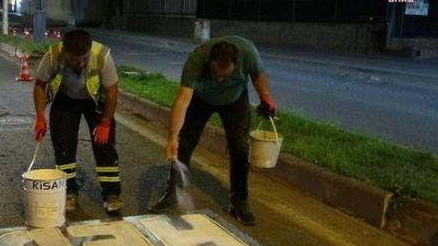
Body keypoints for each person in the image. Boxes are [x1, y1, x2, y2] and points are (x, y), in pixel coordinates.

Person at [149, 35, 277, 225]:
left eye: (225, 77)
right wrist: (172, 138)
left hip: (235, 100)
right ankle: (173, 192)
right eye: (215, 75)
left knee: (240, 147)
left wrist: (266, 98)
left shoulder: (248, 52)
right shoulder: (197, 58)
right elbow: (183, 100)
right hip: (202, 98)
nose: (219, 80)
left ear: (236, 63)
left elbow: (258, 76)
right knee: (184, 143)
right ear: (210, 62)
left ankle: (239, 201)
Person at [33, 29, 122, 213]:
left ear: (90, 50)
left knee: (104, 145)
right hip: (65, 100)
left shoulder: (102, 56)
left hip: (95, 101)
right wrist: (40, 116)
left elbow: (112, 92)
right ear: (66, 53)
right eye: (74, 60)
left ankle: (112, 195)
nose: (80, 64)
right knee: (63, 145)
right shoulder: (53, 56)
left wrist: (105, 123)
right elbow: (40, 85)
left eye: (84, 58)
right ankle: (69, 192)